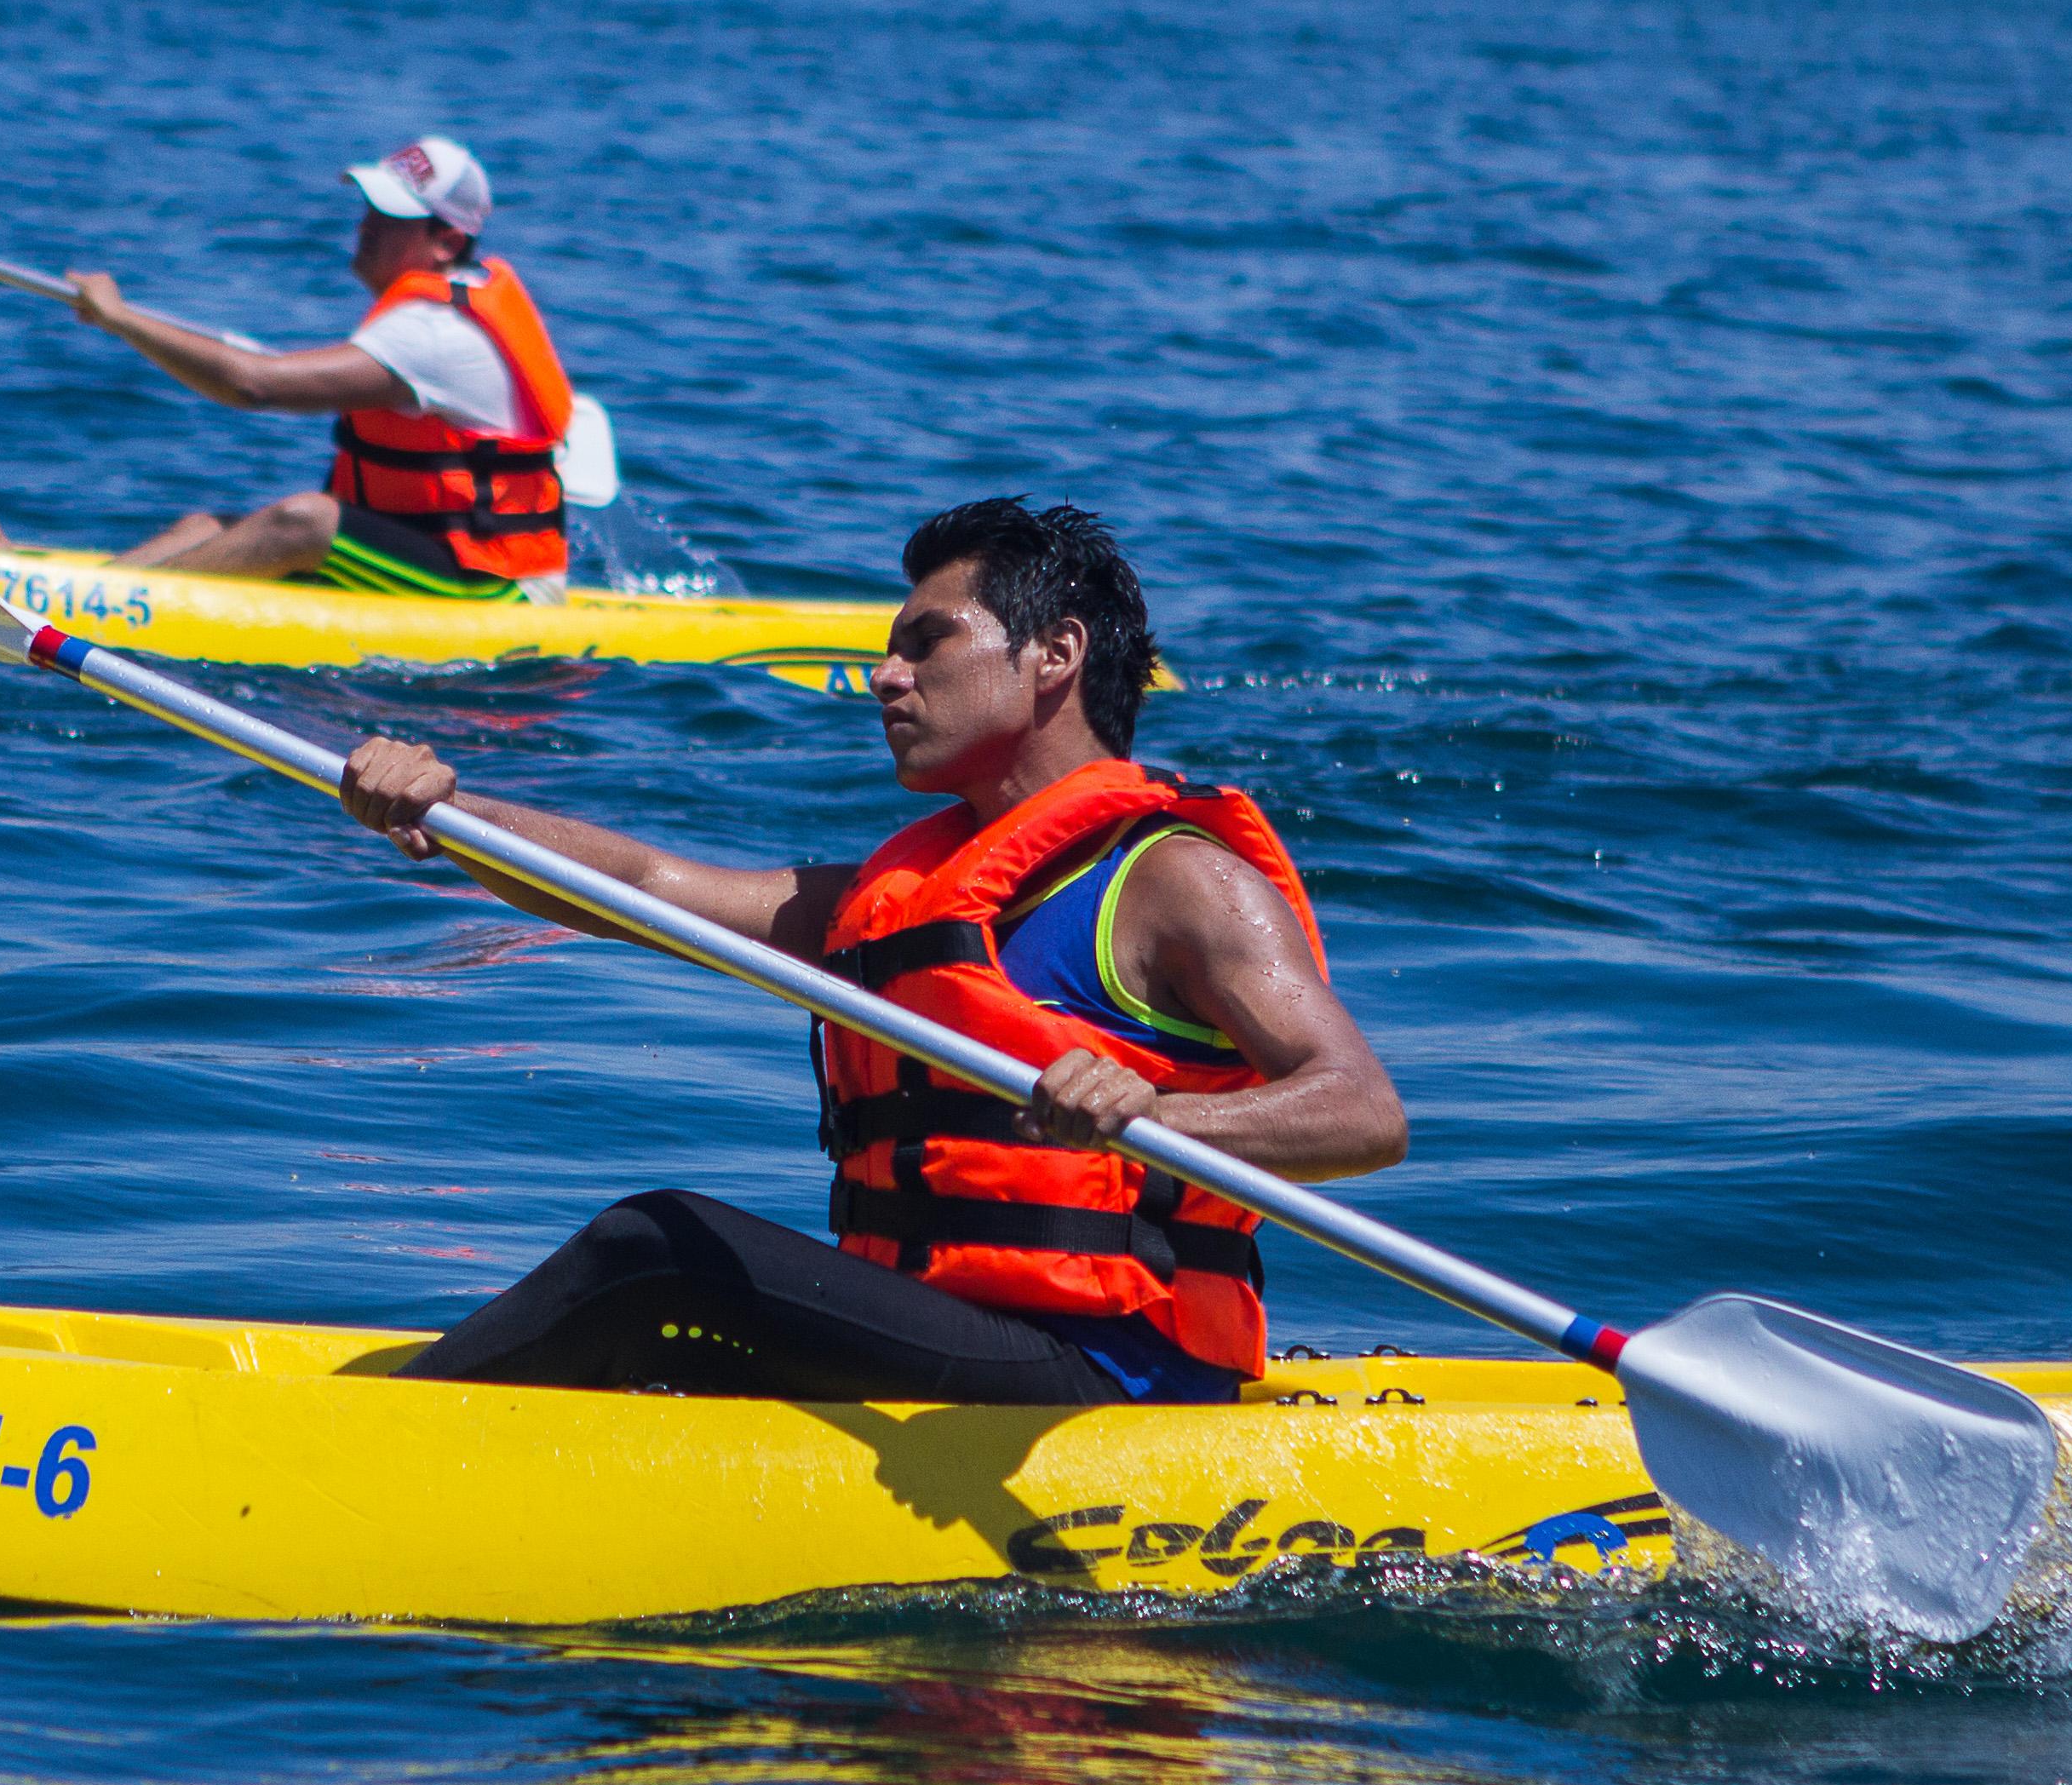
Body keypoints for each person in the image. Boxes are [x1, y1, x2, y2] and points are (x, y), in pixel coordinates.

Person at [335, 497, 1405, 1405]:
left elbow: (1362, 1111)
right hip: (934, 1345)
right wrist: (449, 810)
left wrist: (1156, 1116)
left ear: (1056, 655)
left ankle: (356, 1455)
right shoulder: (891, 899)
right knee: (655, 1340)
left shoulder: (1174, 879)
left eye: (926, 642)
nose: (885, 680)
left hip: (1107, 1377)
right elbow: (642, 889)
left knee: (659, 1248)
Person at [0, 134, 579, 602]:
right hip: (428, 551)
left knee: (304, 520)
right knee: (209, 525)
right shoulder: (426, 315)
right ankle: (69, 596)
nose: (366, 226)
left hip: (495, 582)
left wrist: (120, 318)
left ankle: (90, 618)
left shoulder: (436, 331)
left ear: (446, 243)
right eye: (370, 208)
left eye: (391, 217)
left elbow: (253, 384)